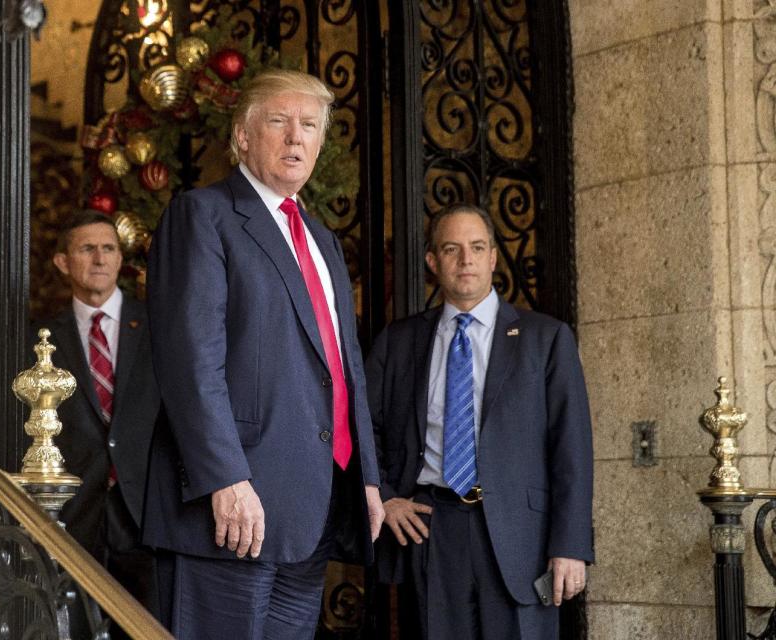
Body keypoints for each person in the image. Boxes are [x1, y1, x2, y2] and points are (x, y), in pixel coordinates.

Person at [144, 69, 385, 639]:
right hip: (230, 511)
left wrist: (367, 478)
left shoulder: (322, 238)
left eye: (309, 126)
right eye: (279, 121)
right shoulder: (202, 216)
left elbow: (343, 368)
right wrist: (225, 477)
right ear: (243, 136)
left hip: (311, 504)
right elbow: (191, 363)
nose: (296, 137)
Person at [365, 204, 594, 639]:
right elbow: (362, 426)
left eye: (476, 247)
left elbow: (571, 450)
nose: (465, 260)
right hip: (430, 530)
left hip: (520, 537)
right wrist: (387, 497)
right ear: (433, 262)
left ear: (492, 257)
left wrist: (570, 545)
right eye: (451, 249)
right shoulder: (399, 341)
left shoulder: (545, 339)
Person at [38, 209, 159, 616]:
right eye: (87, 249)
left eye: (109, 249)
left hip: (147, 515)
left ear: (121, 260)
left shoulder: (159, 327)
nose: (100, 259)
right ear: (62, 262)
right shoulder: (42, 338)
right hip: (74, 518)